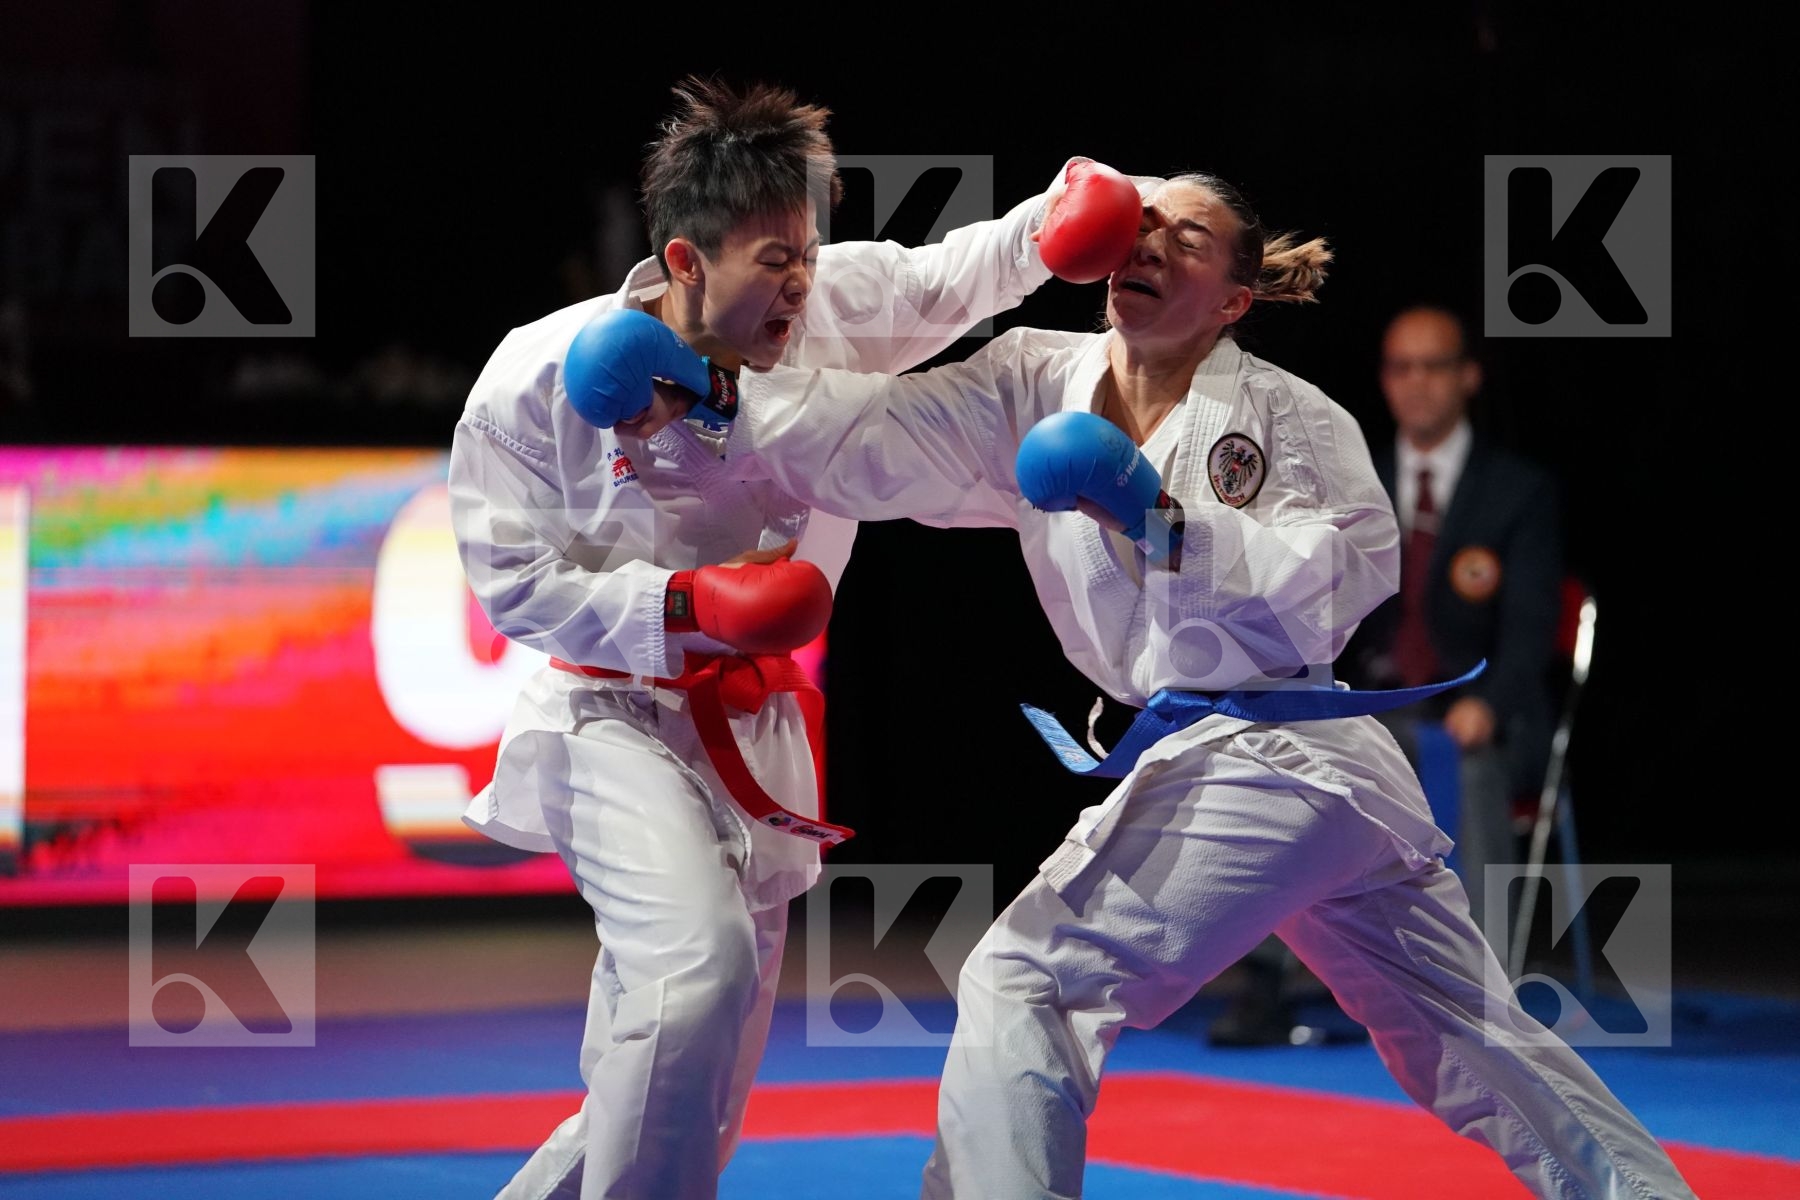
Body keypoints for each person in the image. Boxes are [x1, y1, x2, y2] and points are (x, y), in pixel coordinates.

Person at [592, 170, 1697, 1198]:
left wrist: (1164, 519)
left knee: (1024, 985)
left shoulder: (1291, 417)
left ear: (1235, 297)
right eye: (1140, 226)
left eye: (1189, 236)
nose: (1149, 244)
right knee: (1470, 1038)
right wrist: (721, 405)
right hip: (1254, 769)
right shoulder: (1035, 380)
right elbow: (881, 436)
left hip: (1277, 748)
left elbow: (1347, 584)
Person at [449, 75, 1086, 1199]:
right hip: (612, 716)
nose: (800, 281)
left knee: (693, 1078)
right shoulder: (541, 369)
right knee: (695, 974)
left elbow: (956, 275)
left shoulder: (836, 307)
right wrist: (677, 609)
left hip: (761, 727)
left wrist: (1064, 214)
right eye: (771, 260)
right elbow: (506, 577)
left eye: (807, 250)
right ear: (686, 262)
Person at [1208, 304, 1565, 1045]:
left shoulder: (1518, 491)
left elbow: (1531, 632)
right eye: (1401, 368)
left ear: (1468, 377)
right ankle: (1267, 983)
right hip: (1369, 704)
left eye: (1433, 366)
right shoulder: (1345, 476)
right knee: (1291, 757)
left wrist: (1489, 706)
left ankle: (1483, 1000)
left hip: (1477, 715)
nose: (1416, 384)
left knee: (1460, 763)